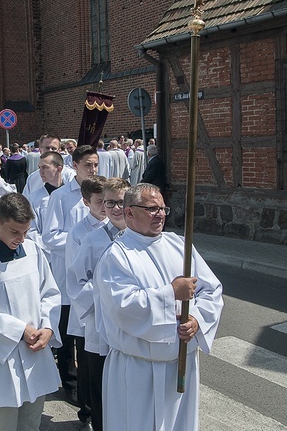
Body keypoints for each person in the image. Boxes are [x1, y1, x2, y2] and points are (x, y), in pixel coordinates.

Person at [93, 183, 223, 430]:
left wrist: (196, 319)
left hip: (180, 365)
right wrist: (170, 293)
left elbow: (211, 290)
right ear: (129, 212)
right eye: (152, 209)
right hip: (137, 369)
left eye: (163, 208)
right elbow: (122, 307)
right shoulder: (117, 256)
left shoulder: (181, 245)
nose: (161, 214)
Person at [0, 193, 61, 431]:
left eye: (26, 232)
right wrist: (19, 330)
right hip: (2, 356)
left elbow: (49, 292)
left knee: (31, 421)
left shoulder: (34, 251)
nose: (21, 238)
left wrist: (47, 327)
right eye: (15, 231)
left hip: (34, 350)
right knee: (5, 423)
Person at [68, 177, 129, 431]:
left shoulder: (140, 239)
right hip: (100, 329)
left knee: (127, 392)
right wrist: (104, 291)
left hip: (130, 330)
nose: (115, 208)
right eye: (109, 203)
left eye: (121, 202)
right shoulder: (93, 240)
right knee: (101, 393)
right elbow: (75, 283)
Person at [42, 144, 99, 405]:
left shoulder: (101, 194)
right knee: (66, 334)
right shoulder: (62, 197)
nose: (93, 169)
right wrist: (81, 239)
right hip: (66, 277)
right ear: (74, 165)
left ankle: (89, 384)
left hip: (93, 277)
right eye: (88, 164)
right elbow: (50, 236)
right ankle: (70, 383)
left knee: (88, 332)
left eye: (96, 164)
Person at [62, 175, 107, 427]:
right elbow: (75, 273)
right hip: (88, 310)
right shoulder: (79, 233)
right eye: (99, 201)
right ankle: (87, 413)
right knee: (88, 368)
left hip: (110, 311)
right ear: (85, 202)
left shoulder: (118, 226)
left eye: (108, 201)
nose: (105, 207)